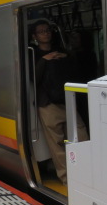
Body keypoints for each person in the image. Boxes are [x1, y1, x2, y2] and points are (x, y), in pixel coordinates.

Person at [31, 20, 89, 185]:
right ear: (34, 36)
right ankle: (67, 178)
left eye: (48, 30)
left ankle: (86, 172)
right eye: (41, 31)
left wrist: (65, 58)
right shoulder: (32, 54)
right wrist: (44, 60)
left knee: (82, 136)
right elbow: (33, 78)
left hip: (68, 100)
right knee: (56, 143)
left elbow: (76, 73)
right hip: (48, 104)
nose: (46, 33)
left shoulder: (62, 52)